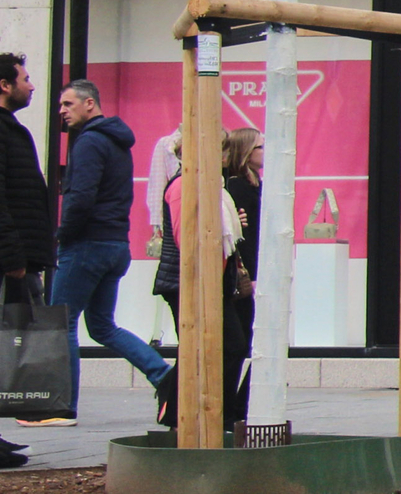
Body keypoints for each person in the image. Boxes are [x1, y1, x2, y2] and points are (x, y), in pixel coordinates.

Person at [50, 79, 169, 414]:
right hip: (115, 244)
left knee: (63, 323)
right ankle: (163, 374)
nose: (62, 111)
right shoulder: (119, 142)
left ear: (90, 104)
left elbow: (81, 197)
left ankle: (61, 406)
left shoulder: (89, 142)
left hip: (87, 244)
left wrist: (62, 234)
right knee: (102, 326)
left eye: (68, 104)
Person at [151, 137, 250, 426]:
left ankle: (206, 413)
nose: (225, 155)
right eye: (220, 149)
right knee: (216, 346)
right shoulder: (184, 185)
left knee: (218, 346)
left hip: (211, 281)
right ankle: (181, 411)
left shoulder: (216, 187)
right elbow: (187, 239)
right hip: (188, 282)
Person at [0, 53, 52, 465]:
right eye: (26, 78)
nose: (32, 86)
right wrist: (13, 254)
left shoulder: (10, 129)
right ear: (4, 85)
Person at [222, 128, 263, 263]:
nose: (266, 151)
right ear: (247, 151)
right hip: (249, 265)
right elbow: (246, 235)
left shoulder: (255, 183)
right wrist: (251, 273)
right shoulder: (238, 186)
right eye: (261, 147)